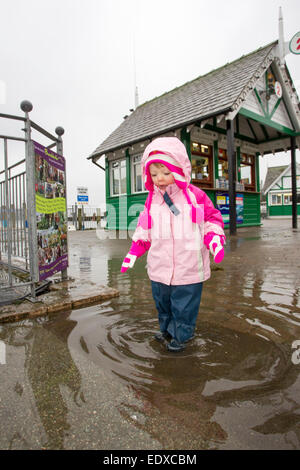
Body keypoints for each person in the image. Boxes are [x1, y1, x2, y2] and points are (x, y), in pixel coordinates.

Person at [121, 137, 225, 352]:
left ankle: (182, 335)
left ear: (179, 169)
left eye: (166, 173)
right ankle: (166, 329)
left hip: (188, 268)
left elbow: (211, 219)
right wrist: (134, 251)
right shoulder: (152, 199)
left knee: (184, 307)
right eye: (154, 174)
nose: (159, 179)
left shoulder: (195, 196)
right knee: (163, 304)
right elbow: (145, 227)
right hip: (160, 267)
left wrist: (214, 239)